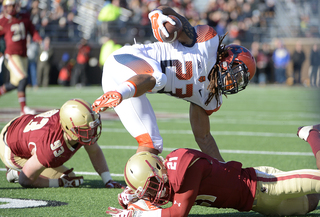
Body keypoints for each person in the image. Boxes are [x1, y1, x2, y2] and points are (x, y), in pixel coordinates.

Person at [92, 6, 256, 162]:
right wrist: (158, 14)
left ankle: (136, 189)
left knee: (152, 144)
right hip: (124, 61)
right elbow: (174, 17)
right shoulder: (207, 43)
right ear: (226, 59)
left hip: (126, 85)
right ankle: (118, 94)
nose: (233, 82)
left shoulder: (210, 96)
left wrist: (225, 170)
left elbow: (204, 138)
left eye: (240, 81)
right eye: (236, 75)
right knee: (158, 77)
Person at [106, 125, 320, 217]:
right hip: (255, 205)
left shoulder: (184, 166)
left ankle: (312, 135)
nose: (156, 191)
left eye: (153, 184)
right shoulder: (167, 180)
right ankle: (313, 135)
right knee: (312, 203)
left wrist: (139, 213)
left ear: (159, 166)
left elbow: (177, 213)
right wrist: (135, 201)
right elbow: (158, 205)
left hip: (262, 184)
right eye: (150, 189)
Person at [0, 98, 124, 189]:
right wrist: (60, 183)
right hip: (9, 147)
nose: (91, 132)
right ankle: (14, 172)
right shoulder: (50, 147)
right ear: (68, 128)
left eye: (92, 127)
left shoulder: (72, 124)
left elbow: (94, 151)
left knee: (67, 174)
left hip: (21, 125)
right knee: (66, 177)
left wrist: (108, 180)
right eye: (85, 129)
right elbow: (25, 180)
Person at [0, 0, 42, 115]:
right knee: (23, 78)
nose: (10, 9)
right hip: (11, 55)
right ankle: (23, 109)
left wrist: (37, 38)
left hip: (23, 54)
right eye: (7, 6)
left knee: (14, 84)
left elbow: (32, 30)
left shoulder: (24, 17)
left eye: (11, 6)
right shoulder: (3, 21)